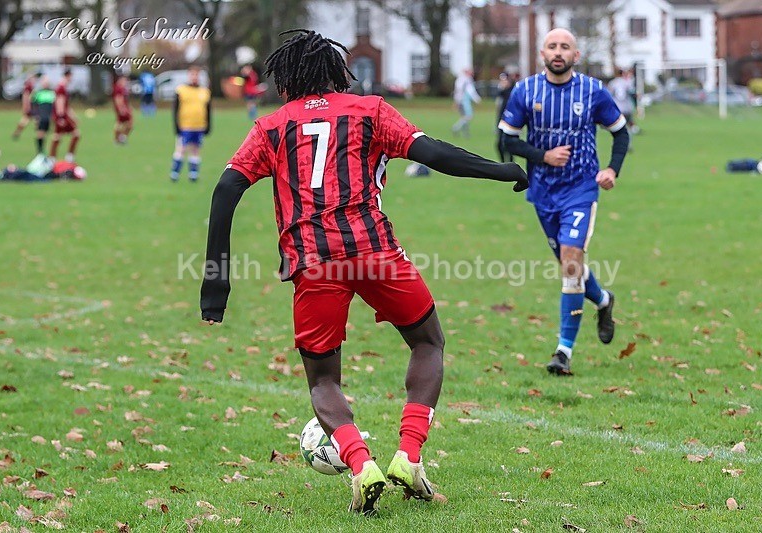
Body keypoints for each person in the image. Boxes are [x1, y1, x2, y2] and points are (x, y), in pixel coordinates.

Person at [200, 29, 527, 515]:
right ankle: (409, 455)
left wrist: (216, 281)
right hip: (376, 253)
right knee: (428, 341)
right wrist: (502, 170)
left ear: (286, 81)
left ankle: (359, 464)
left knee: (323, 381)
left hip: (314, 263)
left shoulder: (272, 126)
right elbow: (434, 153)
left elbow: (226, 190)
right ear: (338, 75)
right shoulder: (370, 110)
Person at [499, 28, 630, 376]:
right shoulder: (525, 91)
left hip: (581, 189)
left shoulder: (593, 91)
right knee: (569, 266)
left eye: (565, 47)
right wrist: (542, 155)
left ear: (576, 55)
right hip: (543, 193)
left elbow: (620, 132)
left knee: (572, 262)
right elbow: (507, 140)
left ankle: (563, 351)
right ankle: (603, 300)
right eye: (552, 46)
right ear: (542, 52)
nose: (558, 52)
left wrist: (612, 170)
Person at [171, 66, 211, 182]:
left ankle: (193, 174)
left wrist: (208, 126)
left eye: (196, 75)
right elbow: (175, 109)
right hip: (185, 125)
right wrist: (176, 126)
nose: (194, 77)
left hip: (199, 126)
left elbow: (208, 110)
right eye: (192, 75)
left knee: (195, 149)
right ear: (188, 76)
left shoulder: (204, 92)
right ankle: (175, 173)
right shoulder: (181, 90)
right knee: (181, 148)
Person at [50, 69, 80, 162]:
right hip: (61, 116)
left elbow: (66, 105)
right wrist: (61, 117)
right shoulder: (61, 88)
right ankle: (65, 157)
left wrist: (73, 116)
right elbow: (60, 103)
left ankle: (53, 158)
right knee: (73, 135)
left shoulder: (63, 87)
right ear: (68, 76)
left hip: (63, 115)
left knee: (58, 136)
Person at [608, 68, 637, 139]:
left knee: (620, 127)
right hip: (627, 107)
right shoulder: (627, 82)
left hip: (617, 108)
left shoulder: (612, 83)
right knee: (628, 124)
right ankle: (629, 140)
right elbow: (632, 93)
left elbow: (609, 95)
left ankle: (623, 140)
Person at [451, 68, 481, 138]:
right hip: (464, 101)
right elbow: (471, 91)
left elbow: (457, 91)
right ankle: (456, 128)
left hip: (460, 101)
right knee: (468, 117)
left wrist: (456, 101)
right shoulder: (467, 80)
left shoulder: (459, 80)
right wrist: (477, 100)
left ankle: (465, 133)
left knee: (464, 117)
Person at [12, 72, 41, 140]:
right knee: (29, 120)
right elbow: (26, 97)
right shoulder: (28, 87)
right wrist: (26, 106)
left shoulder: (32, 86)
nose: (34, 79)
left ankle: (17, 133)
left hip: (34, 106)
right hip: (31, 107)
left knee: (33, 119)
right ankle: (39, 134)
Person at [495, 72, 516, 162]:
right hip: (501, 120)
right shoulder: (502, 92)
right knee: (499, 144)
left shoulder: (512, 91)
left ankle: (511, 163)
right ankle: (502, 163)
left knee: (510, 144)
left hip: (511, 120)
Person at [32, 76, 55, 155]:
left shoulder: (52, 93)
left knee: (49, 134)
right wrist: (36, 116)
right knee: (40, 134)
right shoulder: (38, 93)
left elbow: (55, 106)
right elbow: (34, 106)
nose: (46, 84)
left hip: (49, 117)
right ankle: (40, 151)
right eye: (44, 82)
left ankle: (47, 151)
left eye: (47, 83)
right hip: (41, 116)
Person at [112, 74, 133, 145]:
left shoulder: (123, 88)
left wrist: (129, 107)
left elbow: (126, 99)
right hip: (121, 108)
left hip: (124, 107)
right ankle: (117, 139)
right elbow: (118, 98)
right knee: (121, 123)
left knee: (128, 123)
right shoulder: (118, 88)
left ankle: (121, 138)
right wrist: (121, 108)